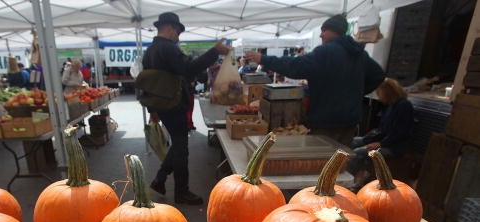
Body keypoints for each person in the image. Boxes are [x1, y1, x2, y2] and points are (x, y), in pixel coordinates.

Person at [245, 14, 386, 147]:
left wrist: (263, 59)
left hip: (326, 121)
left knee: (322, 163)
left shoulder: (326, 52)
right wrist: (356, 93)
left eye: (323, 31)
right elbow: (378, 76)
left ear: (333, 31)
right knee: (341, 163)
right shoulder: (360, 54)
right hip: (349, 122)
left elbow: (295, 66)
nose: (320, 35)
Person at [143, 12, 230, 205]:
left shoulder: (150, 51)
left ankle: (160, 178)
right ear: (170, 28)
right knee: (181, 149)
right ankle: (181, 192)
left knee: (178, 145)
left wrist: (153, 110)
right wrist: (214, 51)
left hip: (162, 106)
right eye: (178, 32)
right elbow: (189, 68)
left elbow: (148, 83)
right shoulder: (169, 48)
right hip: (174, 105)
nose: (178, 36)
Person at [347, 77, 415, 190]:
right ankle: (361, 172)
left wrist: (380, 143)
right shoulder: (391, 106)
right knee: (353, 141)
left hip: (394, 146)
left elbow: (400, 133)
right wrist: (368, 139)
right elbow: (383, 129)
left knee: (358, 152)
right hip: (384, 140)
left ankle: (350, 181)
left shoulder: (404, 106)